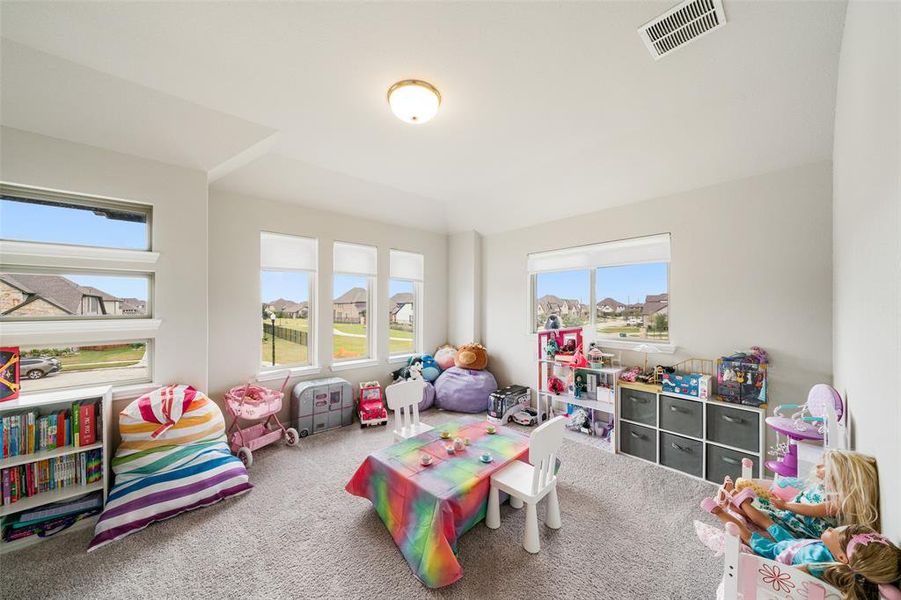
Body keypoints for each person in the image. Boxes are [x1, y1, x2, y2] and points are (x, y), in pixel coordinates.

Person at [702, 493, 901, 600]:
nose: (830, 530)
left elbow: (789, 574)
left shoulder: (822, 565)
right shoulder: (836, 557)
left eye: (834, 531)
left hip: (780, 555)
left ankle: (719, 512)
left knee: (751, 537)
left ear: (841, 557)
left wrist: (772, 571)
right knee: (770, 524)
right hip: (795, 543)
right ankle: (742, 503)